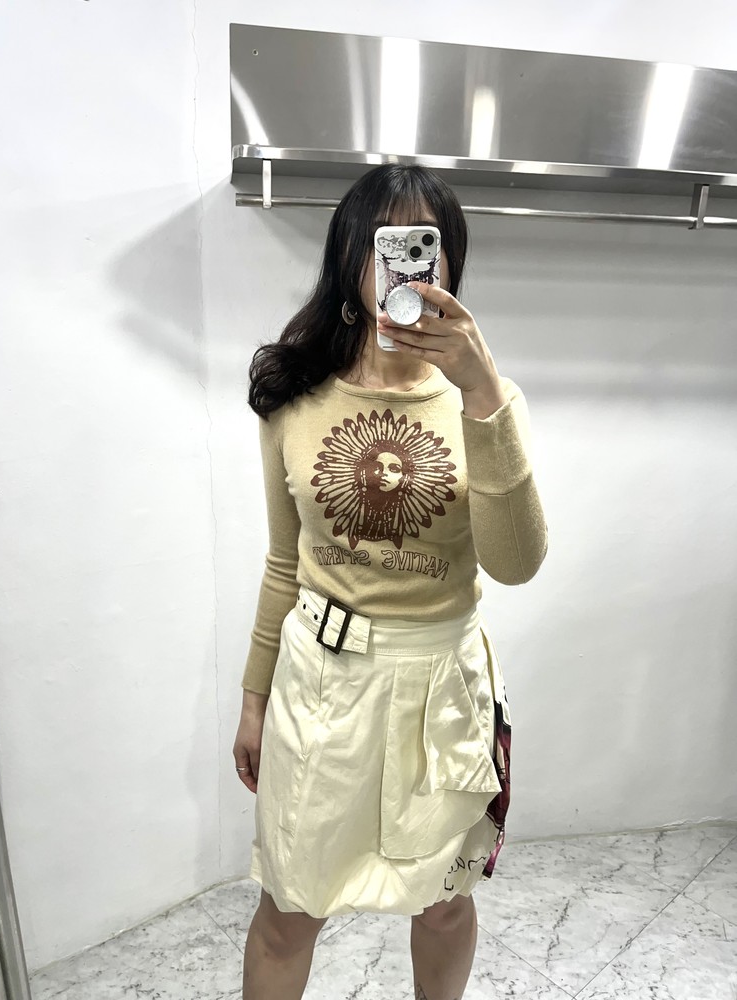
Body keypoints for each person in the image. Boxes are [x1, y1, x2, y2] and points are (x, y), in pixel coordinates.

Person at [233, 163, 549, 1000]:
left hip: (441, 687)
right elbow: (282, 561)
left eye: (427, 246)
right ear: (352, 258)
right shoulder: (295, 401)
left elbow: (516, 563)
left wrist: (483, 395)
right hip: (320, 683)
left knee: (443, 906)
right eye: (389, 243)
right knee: (289, 909)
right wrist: (254, 699)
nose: (409, 264)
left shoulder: (485, 403)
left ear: (450, 264)